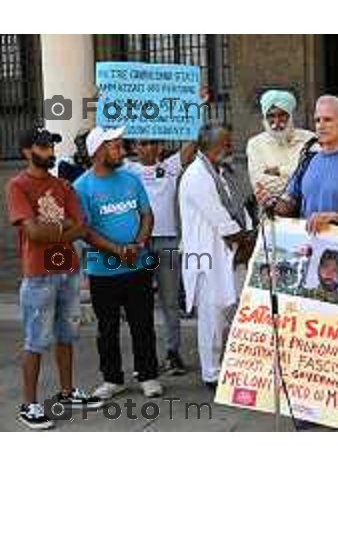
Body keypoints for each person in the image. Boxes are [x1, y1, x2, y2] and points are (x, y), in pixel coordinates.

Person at [256, 95, 338, 431]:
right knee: (313, 336)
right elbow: (290, 205)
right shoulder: (306, 161)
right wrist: (271, 202)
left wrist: (336, 217)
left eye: (328, 119)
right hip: (310, 258)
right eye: (316, 120)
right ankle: (313, 406)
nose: (321, 125)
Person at [5, 126, 103, 429]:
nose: (50, 151)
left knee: (67, 335)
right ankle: (29, 404)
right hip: (39, 275)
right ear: (27, 151)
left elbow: (83, 226)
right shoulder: (17, 186)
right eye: (44, 146)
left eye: (51, 145)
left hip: (68, 270)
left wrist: (54, 230)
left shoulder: (63, 186)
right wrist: (64, 228)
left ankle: (67, 391)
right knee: (36, 340)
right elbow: (31, 231)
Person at [74, 126, 162, 400]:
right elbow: (85, 231)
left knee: (143, 323)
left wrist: (137, 245)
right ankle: (112, 379)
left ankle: (148, 375)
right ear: (98, 151)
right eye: (116, 146)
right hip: (103, 270)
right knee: (107, 327)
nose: (123, 151)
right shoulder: (82, 187)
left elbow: (147, 215)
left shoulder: (130, 179)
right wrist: (118, 250)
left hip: (138, 265)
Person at [179, 127, 254, 391]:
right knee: (211, 318)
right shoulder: (197, 176)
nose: (231, 146)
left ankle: (238, 365)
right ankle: (211, 373)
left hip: (230, 254)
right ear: (212, 146)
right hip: (207, 256)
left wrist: (247, 237)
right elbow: (221, 220)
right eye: (227, 143)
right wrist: (245, 240)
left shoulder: (223, 172)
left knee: (237, 310)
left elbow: (240, 208)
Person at [123, 139, 196, 376]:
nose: (148, 148)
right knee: (139, 304)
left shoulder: (171, 166)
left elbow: (192, 143)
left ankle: (172, 353)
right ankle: (146, 360)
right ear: (135, 147)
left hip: (169, 241)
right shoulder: (127, 169)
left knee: (171, 300)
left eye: (153, 143)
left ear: (160, 146)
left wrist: (199, 105)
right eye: (143, 144)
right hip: (139, 242)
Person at [247, 89, 315, 197]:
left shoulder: (310, 139)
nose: (277, 122)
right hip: (272, 212)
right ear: (264, 118)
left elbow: (315, 178)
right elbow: (261, 185)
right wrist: (299, 178)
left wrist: (279, 170)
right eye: (271, 116)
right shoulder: (255, 144)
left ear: (291, 116)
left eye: (282, 115)